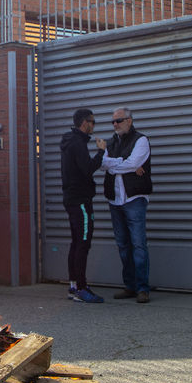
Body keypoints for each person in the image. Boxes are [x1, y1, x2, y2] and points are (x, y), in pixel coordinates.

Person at [99, 106, 153, 304]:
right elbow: (103, 163)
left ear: (129, 120)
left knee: (138, 245)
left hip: (134, 199)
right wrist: (124, 164)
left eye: (119, 120)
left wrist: (118, 165)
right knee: (123, 245)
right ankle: (130, 286)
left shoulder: (141, 140)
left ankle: (142, 289)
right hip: (115, 199)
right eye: (113, 121)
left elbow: (133, 162)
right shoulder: (111, 142)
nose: (115, 124)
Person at [59, 108, 106, 303]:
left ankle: (73, 286)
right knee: (83, 244)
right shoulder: (77, 143)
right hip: (80, 201)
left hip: (72, 199)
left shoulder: (71, 141)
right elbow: (87, 169)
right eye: (92, 122)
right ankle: (81, 287)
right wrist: (101, 152)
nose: (94, 125)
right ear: (83, 123)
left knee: (76, 243)